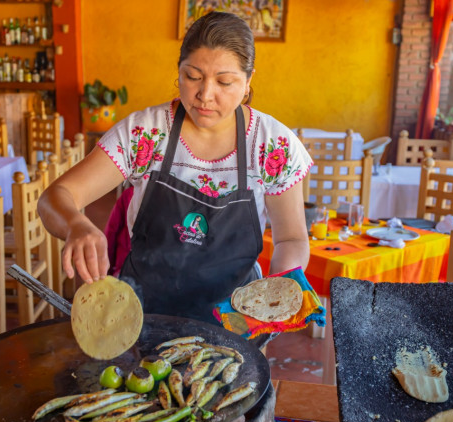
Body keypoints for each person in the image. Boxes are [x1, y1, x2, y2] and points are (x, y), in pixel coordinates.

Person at [38, 11, 311, 323]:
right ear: (178, 72)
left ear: (248, 82)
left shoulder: (272, 145)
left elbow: (291, 239)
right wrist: (76, 224)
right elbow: (55, 196)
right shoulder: (145, 134)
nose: (205, 95)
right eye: (193, 76)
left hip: (235, 320)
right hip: (142, 316)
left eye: (224, 82)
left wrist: (280, 290)